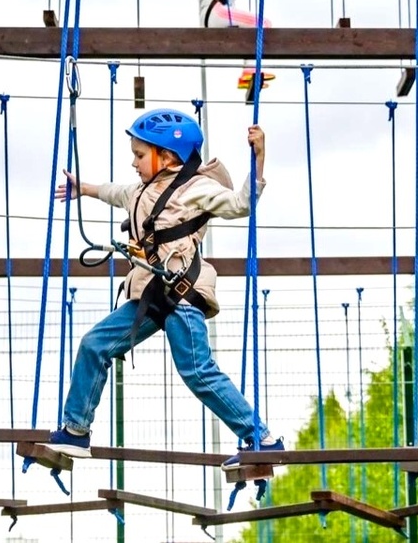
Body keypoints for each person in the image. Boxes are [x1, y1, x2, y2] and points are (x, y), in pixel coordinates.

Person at [45, 109, 283, 469]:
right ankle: (76, 430)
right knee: (95, 344)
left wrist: (259, 157)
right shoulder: (142, 190)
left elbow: (241, 205)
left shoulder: (196, 189)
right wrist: (85, 189)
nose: (134, 162)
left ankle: (261, 438)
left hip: (183, 295)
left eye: (140, 155)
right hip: (152, 295)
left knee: (198, 371)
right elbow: (115, 192)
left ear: (168, 156)